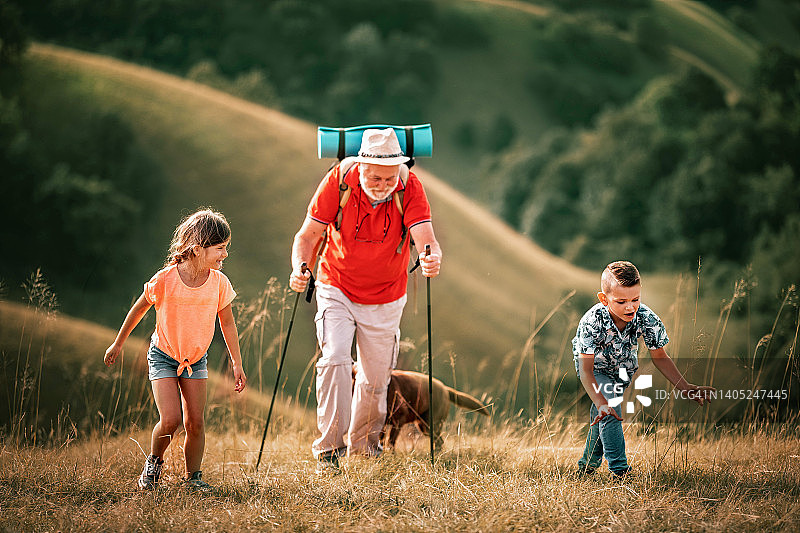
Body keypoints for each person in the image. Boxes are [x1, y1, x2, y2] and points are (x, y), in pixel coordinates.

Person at [290, 128, 442, 473]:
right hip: (336, 286)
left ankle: (364, 449)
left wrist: (432, 257)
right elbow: (308, 235)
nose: (383, 183)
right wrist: (300, 267)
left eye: (390, 176)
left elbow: (426, 237)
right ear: (360, 167)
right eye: (375, 176)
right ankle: (328, 451)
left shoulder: (409, 186)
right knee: (334, 359)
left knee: (375, 378)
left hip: (387, 296)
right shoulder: (339, 181)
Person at [104, 209, 247, 492]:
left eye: (226, 248)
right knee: (170, 420)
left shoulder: (219, 283)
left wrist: (236, 364)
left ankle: (193, 477)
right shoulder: (166, 279)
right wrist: (118, 342)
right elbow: (139, 309)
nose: (225, 255)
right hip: (163, 356)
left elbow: (227, 324)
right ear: (197, 249)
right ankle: (154, 463)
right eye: (220, 248)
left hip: (196, 359)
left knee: (195, 422)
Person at [572, 260, 714, 477]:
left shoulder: (646, 318)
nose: (630, 307)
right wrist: (600, 400)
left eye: (635, 299)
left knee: (604, 414)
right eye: (621, 301)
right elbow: (586, 370)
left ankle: (586, 468)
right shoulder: (592, 321)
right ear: (603, 299)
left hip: (622, 371)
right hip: (595, 369)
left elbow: (660, 357)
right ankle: (620, 472)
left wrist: (685, 387)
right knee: (609, 406)